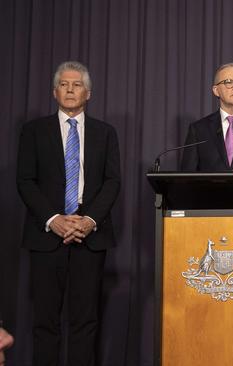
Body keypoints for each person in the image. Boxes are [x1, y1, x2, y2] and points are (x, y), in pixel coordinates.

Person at [16, 61, 121, 365]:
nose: (71, 89)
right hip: (46, 237)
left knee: (85, 322)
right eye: (64, 84)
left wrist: (88, 221)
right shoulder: (33, 131)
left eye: (77, 85)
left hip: (90, 239)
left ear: (88, 93)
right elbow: (25, 181)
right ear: (54, 91)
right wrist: (54, 220)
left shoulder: (105, 133)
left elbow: (113, 182)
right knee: (45, 322)